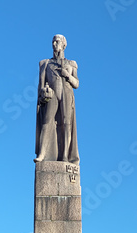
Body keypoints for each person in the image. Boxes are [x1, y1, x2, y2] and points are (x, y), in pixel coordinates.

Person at [35, 34, 79, 165]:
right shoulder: (45, 63)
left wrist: (67, 76)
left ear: (64, 45)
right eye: (53, 41)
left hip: (67, 94)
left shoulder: (71, 64)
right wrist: (44, 91)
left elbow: (76, 83)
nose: (54, 44)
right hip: (52, 94)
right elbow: (41, 86)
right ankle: (42, 153)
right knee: (47, 122)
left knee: (67, 124)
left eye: (57, 42)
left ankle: (65, 155)